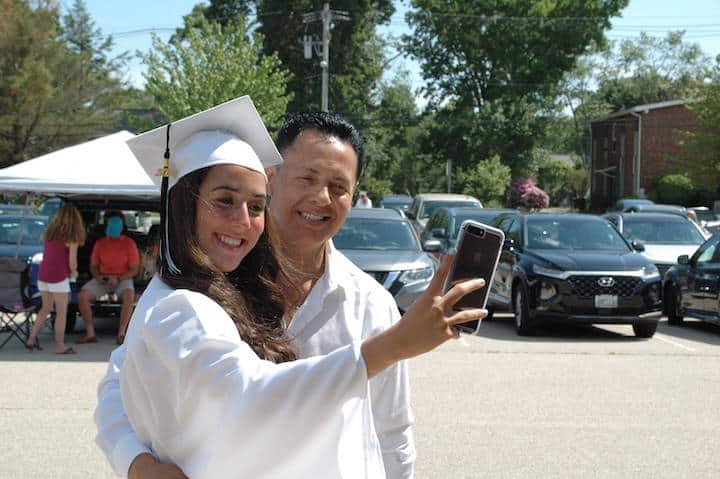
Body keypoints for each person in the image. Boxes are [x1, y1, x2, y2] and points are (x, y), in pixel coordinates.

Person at [96, 96, 486, 479]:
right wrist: (137, 464)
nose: (321, 198)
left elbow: (390, 430)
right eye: (307, 178)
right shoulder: (205, 284)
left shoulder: (371, 304)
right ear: (272, 177)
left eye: (339, 186)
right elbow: (121, 379)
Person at [25, 204, 86, 354]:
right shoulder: (72, 236)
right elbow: (72, 261)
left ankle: (31, 339)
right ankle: (60, 346)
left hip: (43, 275)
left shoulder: (49, 233)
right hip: (58, 277)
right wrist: (75, 272)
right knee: (61, 313)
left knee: (45, 309)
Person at [77, 211, 140, 345]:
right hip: (103, 278)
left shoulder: (129, 244)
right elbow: (93, 265)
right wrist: (98, 277)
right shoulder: (100, 243)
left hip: (123, 278)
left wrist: (119, 278)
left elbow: (134, 269)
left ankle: (122, 333)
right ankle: (90, 333)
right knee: (82, 296)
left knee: (129, 295)